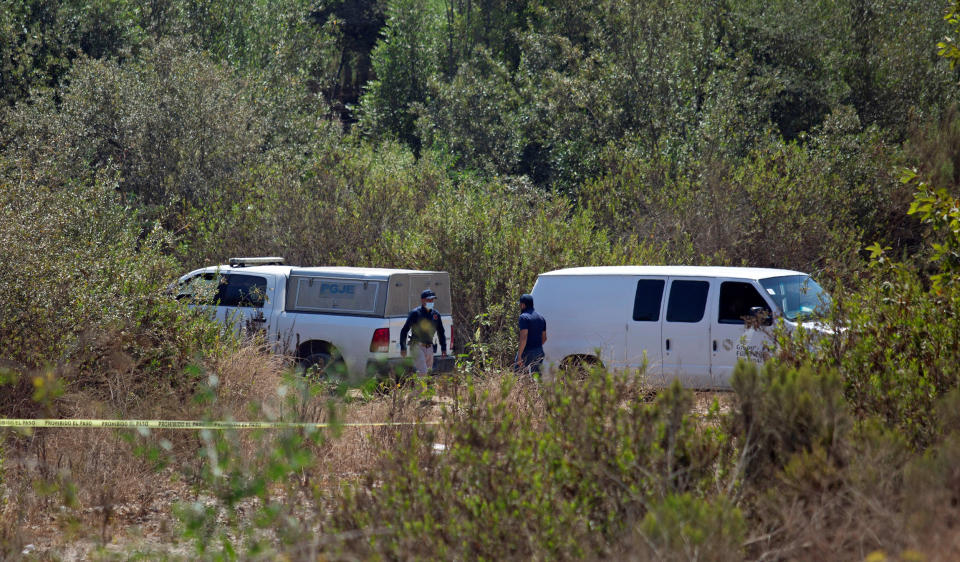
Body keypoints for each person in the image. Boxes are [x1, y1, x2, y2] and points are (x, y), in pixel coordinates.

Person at [400, 289, 447, 375]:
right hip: (417, 346)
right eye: (429, 300)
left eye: (432, 300)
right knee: (423, 373)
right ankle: (420, 388)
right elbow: (404, 331)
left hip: (430, 347)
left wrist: (444, 347)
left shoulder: (436, 314)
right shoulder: (415, 313)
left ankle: (419, 389)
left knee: (427, 374)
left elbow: (441, 331)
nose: (431, 302)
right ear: (422, 300)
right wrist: (403, 347)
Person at [516, 293, 547, 375]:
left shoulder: (523, 317)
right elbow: (544, 338)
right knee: (537, 378)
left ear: (523, 305)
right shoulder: (541, 318)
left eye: (520, 304)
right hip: (539, 351)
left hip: (527, 351)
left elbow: (524, 337)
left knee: (518, 376)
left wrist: (519, 356)